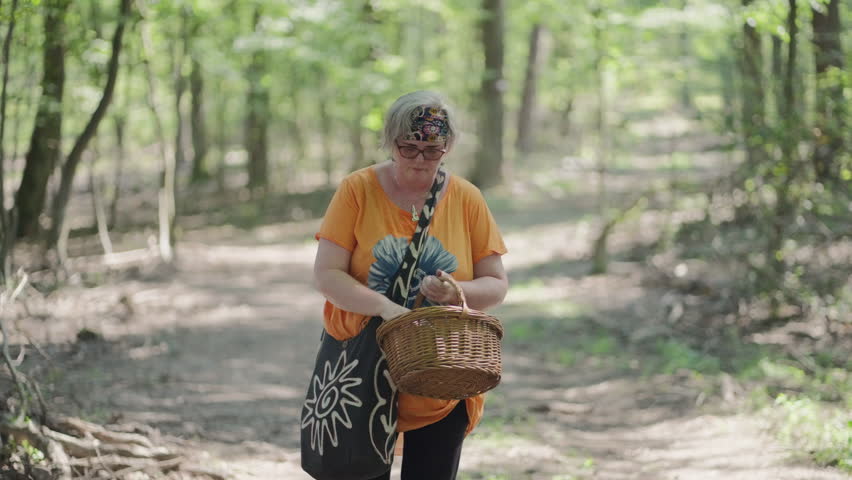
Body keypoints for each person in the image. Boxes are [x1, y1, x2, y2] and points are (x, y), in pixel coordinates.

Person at [312, 90, 509, 480]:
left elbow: (497, 285)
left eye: (432, 150)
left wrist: (458, 294)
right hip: (361, 368)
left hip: (440, 370)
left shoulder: (467, 198)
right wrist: (384, 308)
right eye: (408, 148)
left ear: (448, 147)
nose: (420, 160)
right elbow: (327, 274)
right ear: (389, 142)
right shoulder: (357, 190)